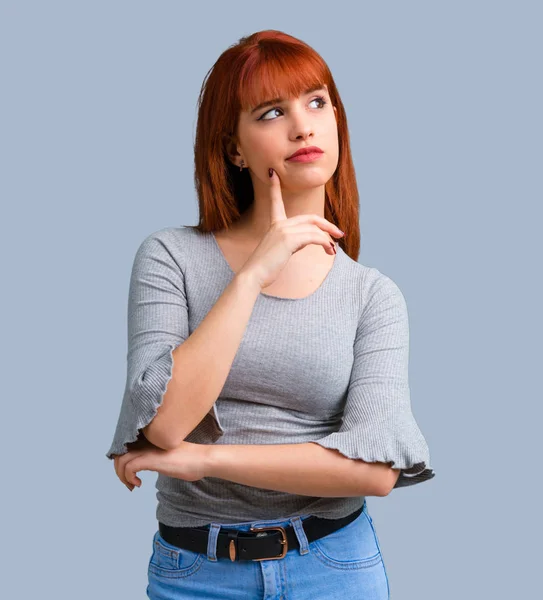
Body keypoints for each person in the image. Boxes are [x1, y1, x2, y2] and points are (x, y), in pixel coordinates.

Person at [106, 29, 435, 599]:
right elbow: (164, 425)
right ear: (234, 147)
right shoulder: (170, 257)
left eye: (316, 102)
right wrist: (254, 274)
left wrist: (200, 461)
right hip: (197, 573)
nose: (303, 126)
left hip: (334, 568)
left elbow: (375, 471)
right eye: (270, 112)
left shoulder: (373, 295)